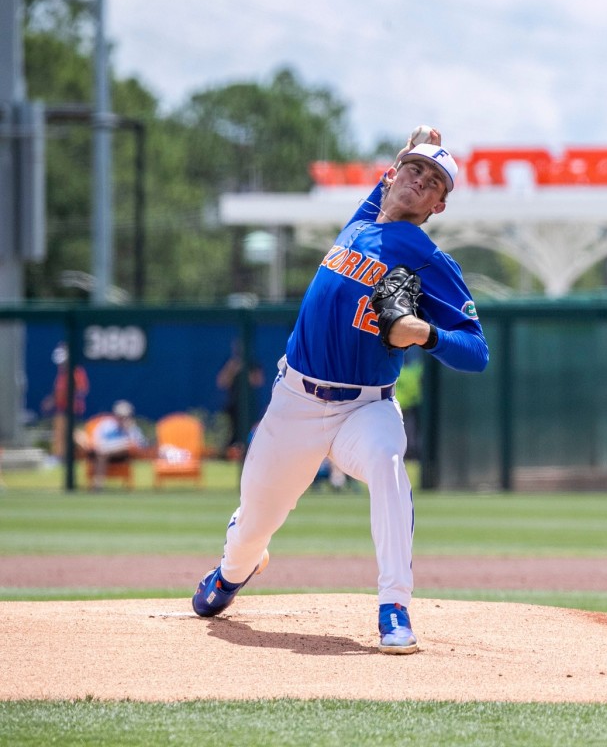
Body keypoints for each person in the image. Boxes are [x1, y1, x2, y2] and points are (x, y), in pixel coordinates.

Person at [191, 129, 488, 655]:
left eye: (433, 181)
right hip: (295, 403)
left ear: (439, 204)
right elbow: (391, 182)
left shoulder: (429, 260)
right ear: (394, 173)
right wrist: (408, 151)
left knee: (388, 464)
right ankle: (234, 570)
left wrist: (428, 333)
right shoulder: (363, 219)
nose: (418, 181)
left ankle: (394, 605)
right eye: (414, 169)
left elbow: (477, 351)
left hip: (364, 406)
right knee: (255, 523)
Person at [79, 400, 148, 491]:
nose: (123, 419)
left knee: (116, 447)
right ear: (115, 415)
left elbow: (140, 444)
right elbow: (97, 441)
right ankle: (98, 485)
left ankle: (98, 484)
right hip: (102, 452)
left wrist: (128, 430)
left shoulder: (132, 428)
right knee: (99, 451)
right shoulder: (106, 425)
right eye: (120, 416)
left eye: (126, 416)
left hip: (122, 455)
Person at [216, 340, 264, 459]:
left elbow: (259, 381)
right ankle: (227, 454)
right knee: (231, 432)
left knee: (250, 431)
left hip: (248, 407)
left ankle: (248, 452)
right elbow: (222, 382)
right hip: (233, 406)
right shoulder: (231, 364)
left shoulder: (252, 364)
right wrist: (233, 369)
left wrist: (247, 371)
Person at [41, 342, 89, 464]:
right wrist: (51, 401)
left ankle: (87, 450)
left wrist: (70, 396)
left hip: (72, 409)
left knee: (69, 433)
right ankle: (60, 456)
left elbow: (82, 390)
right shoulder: (62, 373)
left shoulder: (76, 371)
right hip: (61, 408)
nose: (61, 364)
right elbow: (58, 391)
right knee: (61, 433)